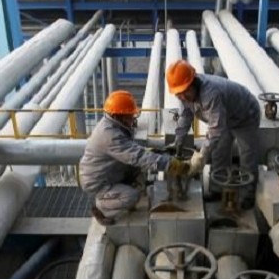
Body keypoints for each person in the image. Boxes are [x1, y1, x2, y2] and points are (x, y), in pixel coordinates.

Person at [80, 90, 189, 225]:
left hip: (111, 172)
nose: (133, 118)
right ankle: (102, 207)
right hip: (98, 182)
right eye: (129, 115)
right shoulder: (109, 135)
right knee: (132, 196)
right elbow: (137, 156)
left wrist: (158, 153)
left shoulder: (114, 125)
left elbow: (135, 152)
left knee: (141, 171)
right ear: (118, 116)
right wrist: (170, 164)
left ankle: (117, 192)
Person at [167, 59, 261, 207]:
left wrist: (201, 156)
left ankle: (248, 196)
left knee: (247, 156)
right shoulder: (185, 93)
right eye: (179, 95)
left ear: (193, 83)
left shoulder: (211, 93)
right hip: (225, 117)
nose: (183, 97)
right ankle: (217, 190)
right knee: (218, 152)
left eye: (185, 92)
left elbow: (216, 129)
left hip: (244, 115)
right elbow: (186, 115)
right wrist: (178, 140)